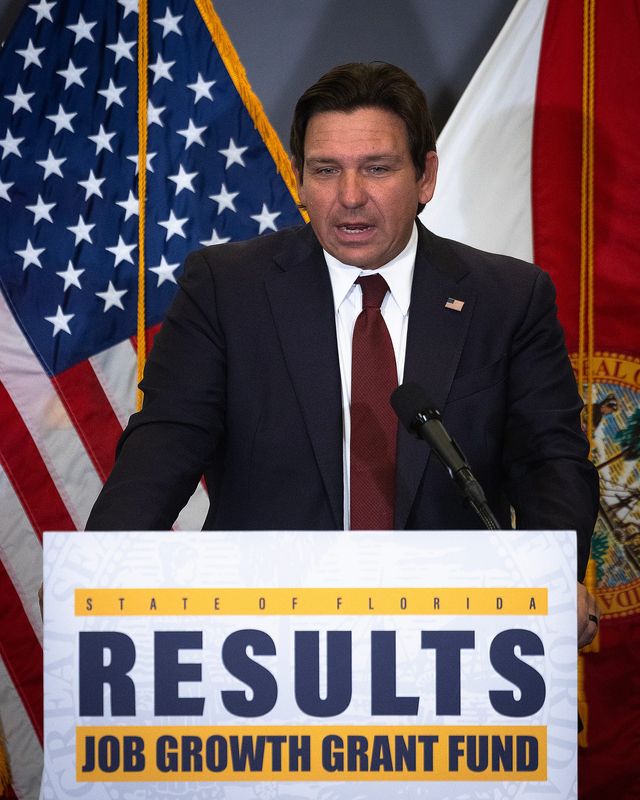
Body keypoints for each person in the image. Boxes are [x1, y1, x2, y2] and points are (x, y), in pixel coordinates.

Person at [86, 62, 600, 646]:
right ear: (300, 179)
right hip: (264, 637)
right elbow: (164, 444)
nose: (350, 197)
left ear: (425, 176)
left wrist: (553, 581)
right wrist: (99, 571)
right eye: (326, 170)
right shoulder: (228, 289)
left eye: (377, 169)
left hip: (453, 635)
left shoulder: (506, 298)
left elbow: (548, 460)